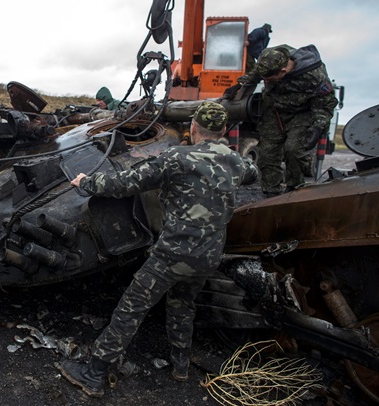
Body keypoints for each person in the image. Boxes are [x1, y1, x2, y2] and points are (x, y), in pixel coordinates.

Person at [59, 101, 257, 398]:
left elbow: (125, 183)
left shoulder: (177, 158)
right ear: (224, 130)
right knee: (182, 304)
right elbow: (252, 172)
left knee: (131, 308)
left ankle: (93, 374)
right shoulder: (236, 162)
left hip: (173, 255)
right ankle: (180, 366)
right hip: (209, 256)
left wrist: (86, 182)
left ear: (193, 128)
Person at [235, 45, 337, 196]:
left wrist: (317, 127)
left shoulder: (314, 75)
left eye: (270, 79)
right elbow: (256, 74)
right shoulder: (270, 59)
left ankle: (294, 189)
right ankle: (271, 192)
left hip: (301, 114)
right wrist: (238, 85)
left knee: (293, 150)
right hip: (274, 110)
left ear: (283, 71)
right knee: (267, 153)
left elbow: (325, 103)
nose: (267, 81)